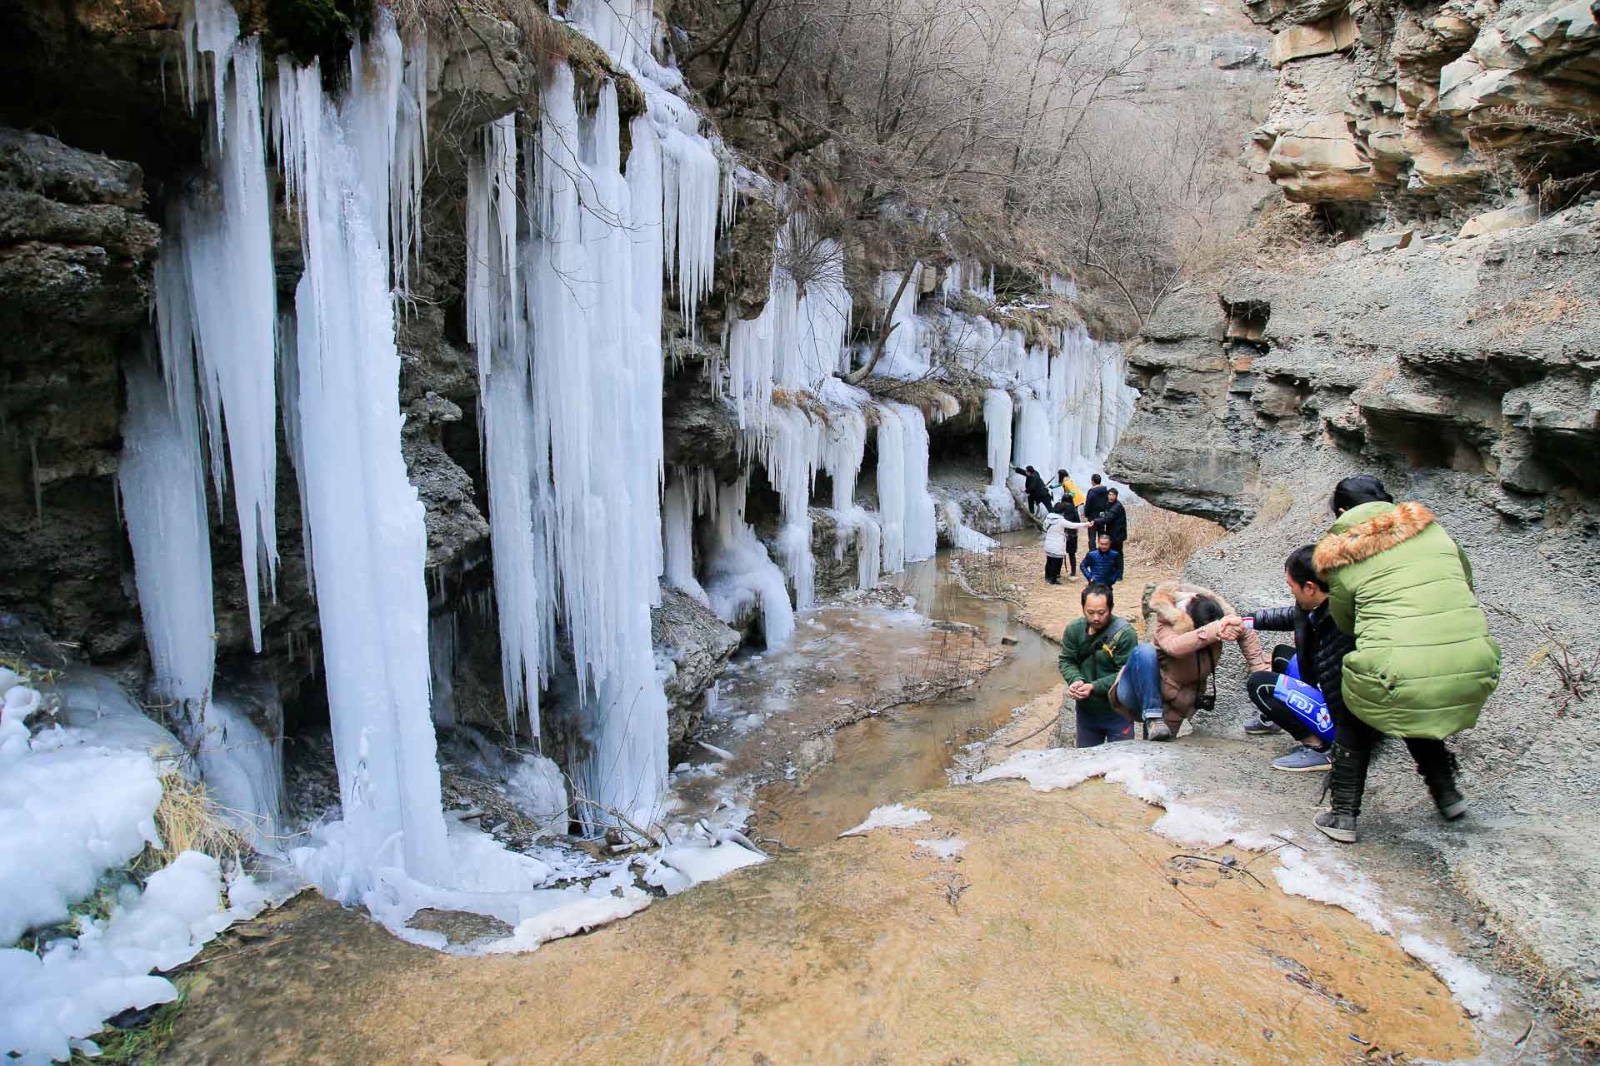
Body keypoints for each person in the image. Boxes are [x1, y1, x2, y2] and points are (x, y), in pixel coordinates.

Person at [1308, 475, 1501, 843]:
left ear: (1344, 512)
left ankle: (1343, 816)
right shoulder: (1435, 531)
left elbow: (1346, 621)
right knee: (1409, 692)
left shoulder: (1341, 552)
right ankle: (1448, 796)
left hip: (1403, 668)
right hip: (1477, 662)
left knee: (1360, 701)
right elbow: (1466, 583)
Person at [1240, 545, 1355, 772]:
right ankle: (1284, 716)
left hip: (1344, 720)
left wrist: (1347, 744)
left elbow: (1339, 688)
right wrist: (1244, 621)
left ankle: (1322, 748)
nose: (1292, 593)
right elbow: (1292, 617)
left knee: (1260, 684)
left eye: (1292, 588)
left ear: (1310, 588)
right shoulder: (1328, 601)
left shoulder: (1339, 626)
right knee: (1283, 655)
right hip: (1327, 688)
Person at [1109, 580, 1268, 742]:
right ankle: (1153, 718)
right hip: (1135, 691)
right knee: (1144, 651)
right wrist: (1214, 631)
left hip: (1175, 702)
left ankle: (1154, 726)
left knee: (1159, 748)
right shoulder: (1167, 622)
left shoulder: (1216, 615)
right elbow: (1175, 647)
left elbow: (1244, 632)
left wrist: (1261, 671)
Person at [1058, 583, 1139, 747]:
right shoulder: (1074, 630)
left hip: (1118, 710)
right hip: (1086, 712)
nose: (1096, 618)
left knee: (1120, 761)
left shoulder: (1125, 634)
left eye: (1101, 613)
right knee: (1086, 761)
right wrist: (1075, 679)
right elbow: (1067, 660)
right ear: (1083, 609)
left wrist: (1094, 686)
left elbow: (1126, 673)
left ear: (1111, 608)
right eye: (1090, 612)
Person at [1042, 502, 1092, 583]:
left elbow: (1044, 528)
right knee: (1056, 562)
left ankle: (1047, 576)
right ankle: (1053, 579)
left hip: (1048, 543)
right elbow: (1073, 525)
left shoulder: (1048, 517)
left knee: (1049, 560)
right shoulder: (1061, 520)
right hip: (1057, 544)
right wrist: (1086, 524)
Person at [1094, 487, 1129, 554]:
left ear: (1116, 496)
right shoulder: (1110, 504)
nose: (1111, 496)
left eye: (1113, 495)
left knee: (1117, 553)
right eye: (1109, 494)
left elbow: (1108, 518)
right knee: (1112, 553)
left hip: (1118, 534)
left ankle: (1119, 564)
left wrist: (1095, 521)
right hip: (1113, 533)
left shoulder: (1117, 506)